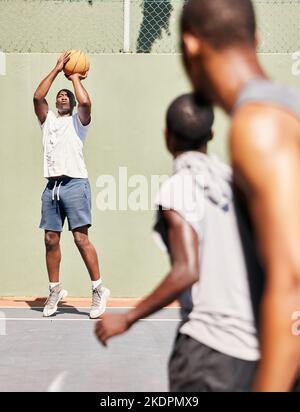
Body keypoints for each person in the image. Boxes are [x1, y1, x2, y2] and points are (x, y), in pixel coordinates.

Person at [95, 94, 260, 392]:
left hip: (208, 351)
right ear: (211, 135)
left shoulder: (178, 188)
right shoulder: (233, 182)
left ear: (167, 137)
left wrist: (128, 318)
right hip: (255, 351)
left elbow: (187, 269)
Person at [180, 0, 300, 391]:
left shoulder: (258, 125)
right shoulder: (283, 111)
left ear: (191, 45)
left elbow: (293, 285)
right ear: (256, 40)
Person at [33, 51, 110, 319]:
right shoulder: (48, 121)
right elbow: (37, 97)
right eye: (59, 96)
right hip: (51, 187)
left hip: (75, 184)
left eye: (67, 95)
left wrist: (75, 77)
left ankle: (99, 289)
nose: (62, 97)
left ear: (73, 102)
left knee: (80, 238)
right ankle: (55, 290)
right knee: (50, 239)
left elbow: (86, 102)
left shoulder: (79, 122)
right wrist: (57, 69)